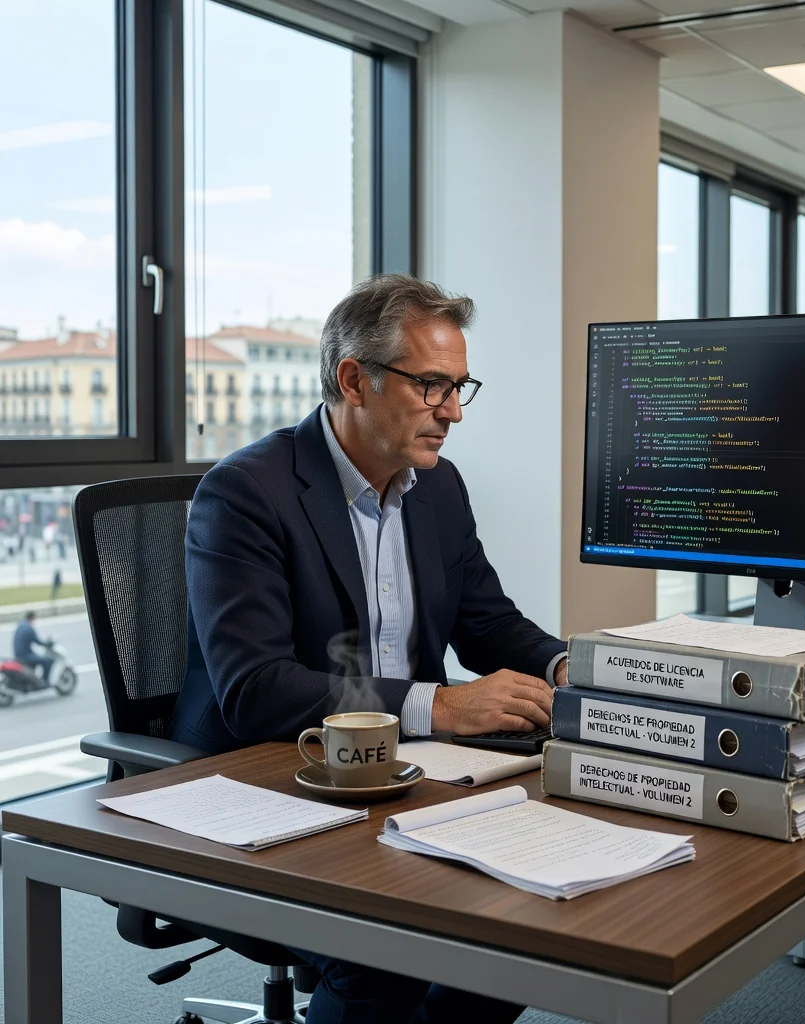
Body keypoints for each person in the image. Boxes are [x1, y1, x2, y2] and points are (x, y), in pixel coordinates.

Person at [169, 273, 568, 1024]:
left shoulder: (438, 488)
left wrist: (567, 668)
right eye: (431, 386)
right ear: (355, 379)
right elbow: (258, 690)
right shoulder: (246, 494)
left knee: (527, 922)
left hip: (401, 784)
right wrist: (440, 705)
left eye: (459, 387)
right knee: (381, 955)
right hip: (260, 787)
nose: (452, 412)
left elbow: (488, 624)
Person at [13, 611, 54, 684]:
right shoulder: (28, 628)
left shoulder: (21, 625)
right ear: (32, 618)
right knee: (47, 660)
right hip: (25, 656)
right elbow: (37, 641)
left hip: (19, 654)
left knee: (37, 657)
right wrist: (47, 644)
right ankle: (44, 681)